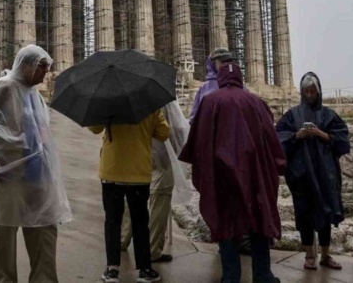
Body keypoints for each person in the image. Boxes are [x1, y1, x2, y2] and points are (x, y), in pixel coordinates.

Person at [0, 45, 72, 283]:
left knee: (44, 226)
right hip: (8, 175)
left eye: (47, 66)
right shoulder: (5, 87)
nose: (45, 72)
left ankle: (44, 279)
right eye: (41, 66)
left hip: (37, 173)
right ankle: (4, 279)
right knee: (6, 234)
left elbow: (41, 132)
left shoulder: (35, 95)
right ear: (26, 64)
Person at [179, 63, 286, 283]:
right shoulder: (256, 102)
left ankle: (230, 276)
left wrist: (202, 169)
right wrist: (279, 164)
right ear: (239, 78)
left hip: (222, 177)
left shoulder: (210, 102)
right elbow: (270, 137)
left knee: (226, 223)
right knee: (258, 221)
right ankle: (263, 275)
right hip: (253, 173)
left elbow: (198, 140)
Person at [276, 72, 350, 270]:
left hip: (326, 173)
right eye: (306, 91)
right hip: (301, 175)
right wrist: (297, 135)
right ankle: (309, 255)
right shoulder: (292, 115)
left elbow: (343, 140)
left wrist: (322, 134)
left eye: (313, 91)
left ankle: (326, 254)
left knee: (325, 211)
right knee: (304, 213)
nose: (309, 94)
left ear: (318, 92)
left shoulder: (328, 114)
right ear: (301, 92)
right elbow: (279, 139)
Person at [90, 108, 170, 283]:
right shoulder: (150, 104)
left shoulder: (108, 101)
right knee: (140, 221)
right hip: (138, 173)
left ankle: (112, 270)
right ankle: (145, 269)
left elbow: (94, 128)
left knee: (112, 220)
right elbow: (164, 133)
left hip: (111, 171)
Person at [120, 101, 193, 264]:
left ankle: (122, 239)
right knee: (159, 204)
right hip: (162, 158)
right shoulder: (164, 100)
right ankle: (152, 250)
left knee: (132, 198)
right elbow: (176, 129)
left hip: (136, 155)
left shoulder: (130, 97)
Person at [189, 47, 234, 124]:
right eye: (223, 62)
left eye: (229, 62)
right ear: (213, 64)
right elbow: (195, 117)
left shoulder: (240, 86)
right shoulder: (205, 88)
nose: (227, 65)